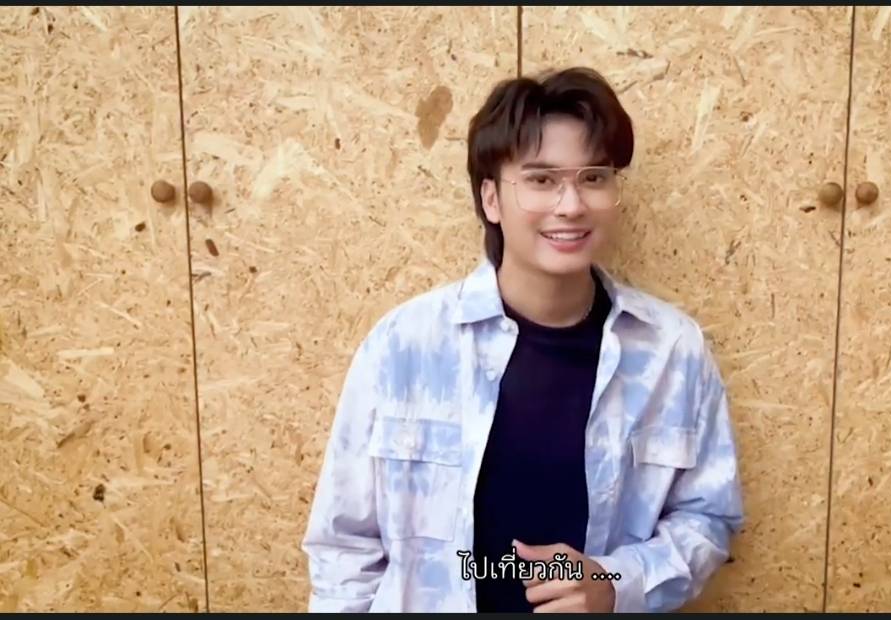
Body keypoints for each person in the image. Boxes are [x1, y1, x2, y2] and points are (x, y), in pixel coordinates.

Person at [301, 66, 744, 613]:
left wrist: (617, 584)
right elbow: (344, 546)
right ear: (491, 199)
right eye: (541, 180)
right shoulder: (404, 346)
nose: (571, 205)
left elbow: (708, 515)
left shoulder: (671, 350)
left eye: (593, 177)